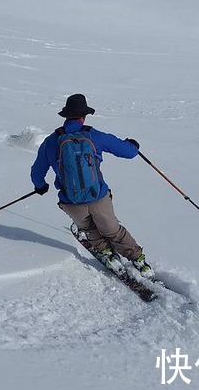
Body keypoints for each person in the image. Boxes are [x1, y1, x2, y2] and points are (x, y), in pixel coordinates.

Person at [30, 93, 154, 279]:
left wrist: (40, 186)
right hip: (98, 197)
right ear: (83, 116)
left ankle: (106, 253)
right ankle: (139, 261)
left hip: (71, 201)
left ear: (66, 116)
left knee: (89, 229)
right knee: (113, 230)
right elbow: (128, 152)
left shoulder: (51, 141)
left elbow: (37, 171)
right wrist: (133, 145)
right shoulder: (93, 135)